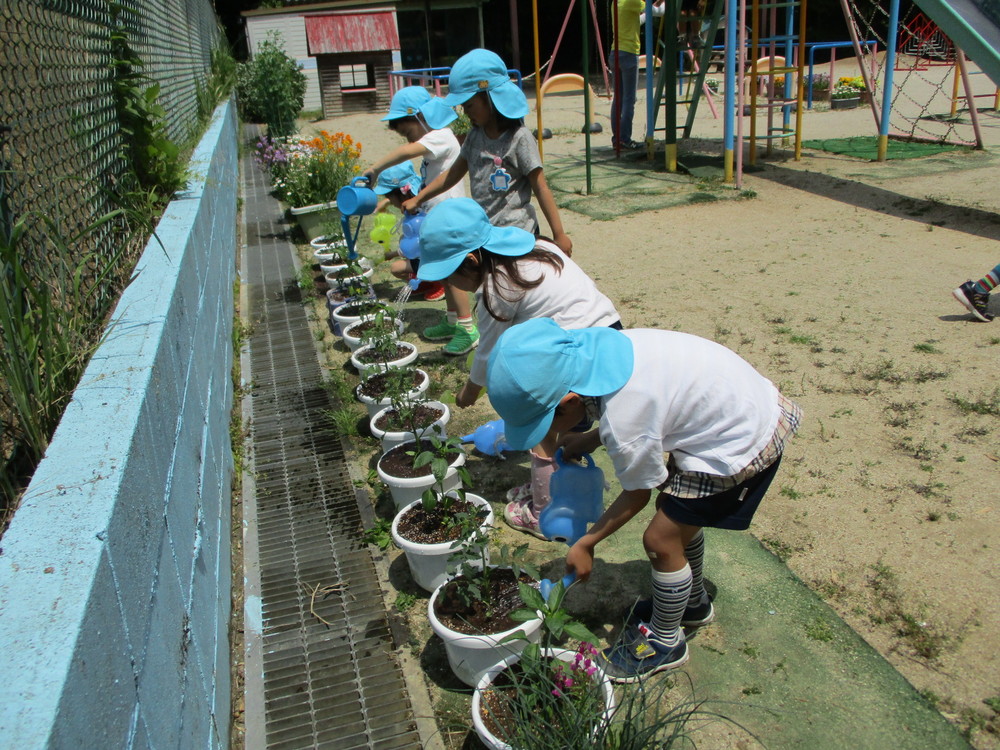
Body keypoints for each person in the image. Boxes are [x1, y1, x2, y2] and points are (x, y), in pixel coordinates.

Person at [485, 318, 802, 682]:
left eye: (549, 422)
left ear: (569, 400)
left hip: (740, 441)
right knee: (676, 519)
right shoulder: (605, 352)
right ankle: (692, 602)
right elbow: (641, 404)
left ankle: (667, 641)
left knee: (659, 539)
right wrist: (590, 439)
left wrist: (587, 543)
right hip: (734, 410)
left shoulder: (626, 417)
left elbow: (637, 492)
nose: (554, 434)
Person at [415, 198, 621, 539]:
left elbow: (488, 350)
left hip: (572, 359)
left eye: (450, 275)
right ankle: (560, 489)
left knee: (542, 434)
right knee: (568, 427)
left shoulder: (498, 288)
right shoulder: (536, 247)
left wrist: (470, 390)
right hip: (607, 338)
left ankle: (542, 514)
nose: (452, 284)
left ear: (471, 260)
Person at [402, 49, 573, 258]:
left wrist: (559, 233)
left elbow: (540, 186)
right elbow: (452, 174)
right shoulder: (475, 136)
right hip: (485, 234)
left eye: (470, 105)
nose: (466, 113)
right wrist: (419, 199)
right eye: (463, 107)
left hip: (518, 234)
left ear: (490, 96)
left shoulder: (519, 137)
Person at [362, 86, 478, 354]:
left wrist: (375, 169)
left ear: (420, 116)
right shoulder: (435, 140)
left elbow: (407, 152)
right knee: (444, 274)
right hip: (439, 218)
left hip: (450, 219)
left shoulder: (440, 136)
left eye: (408, 131)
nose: (408, 138)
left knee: (453, 274)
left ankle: (468, 329)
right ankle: (452, 322)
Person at [371, 163, 446, 300]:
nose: (391, 202)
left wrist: (393, 254)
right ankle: (426, 281)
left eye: (389, 197)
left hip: (435, 256)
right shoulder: (419, 197)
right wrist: (388, 201)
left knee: (396, 268)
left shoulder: (423, 212)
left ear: (400, 193)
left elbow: (416, 246)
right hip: (431, 251)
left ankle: (440, 283)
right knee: (402, 239)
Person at [609, 0, 664, 150]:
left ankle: (617, 139)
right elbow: (655, 10)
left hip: (615, 52)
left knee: (618, 99)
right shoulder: (633, 1)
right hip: (629, 53)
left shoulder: (616, 3)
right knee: (629, 99)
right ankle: (625, 138)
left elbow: (638, 19)